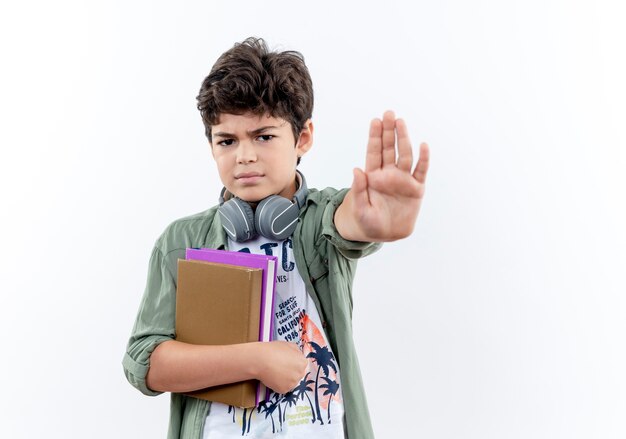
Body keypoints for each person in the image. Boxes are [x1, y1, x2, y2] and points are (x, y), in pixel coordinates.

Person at [123, 37, 430, 439]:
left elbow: (349, 223)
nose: (244, 156)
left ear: (302, 138)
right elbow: (144, 364)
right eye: (227, 141)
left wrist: (374, 223)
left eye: (264, 136)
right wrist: (252, 360)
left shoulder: (319, 219)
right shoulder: (181, 241)